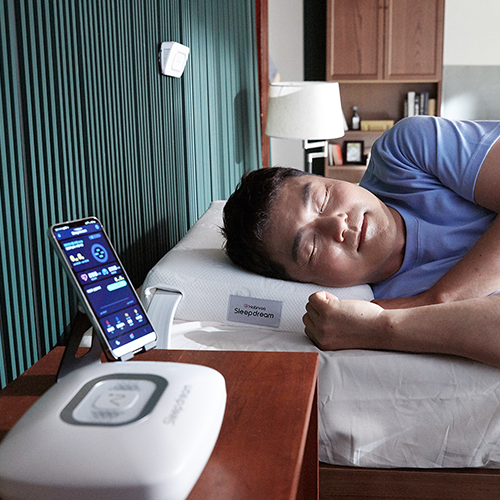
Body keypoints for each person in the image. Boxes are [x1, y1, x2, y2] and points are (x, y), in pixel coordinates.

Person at [222, 116, 500, 368]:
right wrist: (379, 328)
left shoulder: (405, 151)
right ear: (305, 282)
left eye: (323, 198)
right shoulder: (364, 314)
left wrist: (435, 301)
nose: (338, 225)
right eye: (311, 248)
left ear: (326, 177)